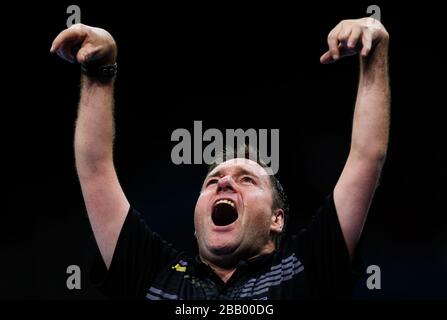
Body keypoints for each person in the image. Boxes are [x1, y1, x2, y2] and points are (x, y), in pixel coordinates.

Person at [50, 17, 390, 299]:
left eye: (247, 179)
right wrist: (100, 71)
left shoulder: (308, 265)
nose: (223, 181)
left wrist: (374, 51)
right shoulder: (153, 272)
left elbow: (365, 158)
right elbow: (94, 169)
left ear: (277, 220)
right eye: (212, 182)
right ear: (197, 220)